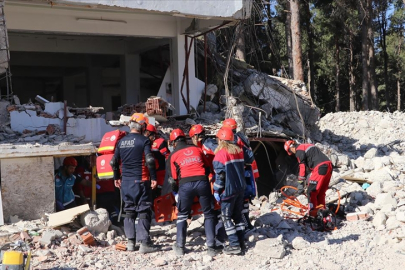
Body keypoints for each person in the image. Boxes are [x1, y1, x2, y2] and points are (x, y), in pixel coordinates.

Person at [111, 113, 158, 253]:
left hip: (126, 182)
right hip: (141, 180)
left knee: (128, 211)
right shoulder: (144, 141)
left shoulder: (121, 141)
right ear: (142, 126)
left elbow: (113, 161)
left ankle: (131, 243)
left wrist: (116, 177)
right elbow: (150, 160)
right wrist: (154, 177)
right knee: (143, 210)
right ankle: (144, 244)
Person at [167, 128, 219, 257]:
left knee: (182, 215)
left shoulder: (173, 155)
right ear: (186, 139)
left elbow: (173, 179)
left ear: (173, 143)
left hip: (185, 184)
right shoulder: (197, 149)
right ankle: (211, 247)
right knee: (208, 214)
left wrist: (176, 193)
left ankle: (180, 246)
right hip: (202, 182)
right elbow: (207, 167)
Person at [189, 124, 227, 246]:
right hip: (211, 178)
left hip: (217, 178)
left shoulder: (208, 144)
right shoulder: (201, 147)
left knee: (218, 208)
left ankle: (220, 235)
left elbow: (221, 156)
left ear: (195, 137)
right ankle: (215, 233)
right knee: (213, 208)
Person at [212, 127, 246, 255]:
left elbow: (220, 176)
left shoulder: (220, 154)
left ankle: (234, 245)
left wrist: (216, 190)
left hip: (228, 191)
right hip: (240, 189)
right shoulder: (239, 151)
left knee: (226, 218)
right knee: (238, 216)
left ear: (221, 140)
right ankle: (241, 242)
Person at [222, 118, 256, 232]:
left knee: (239, 200)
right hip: (246, 171)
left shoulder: (233, 139)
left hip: (238, 172)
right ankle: (247, 224)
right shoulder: (242, 137)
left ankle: (243, 226)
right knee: (245, 199)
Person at [284, 140, 333, 217]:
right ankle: (323, 213)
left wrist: (300, 183)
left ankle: (312, 214)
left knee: (311, 192)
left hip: (320, 167)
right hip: (328, 166)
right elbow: (309, 164)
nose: (293, 153)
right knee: (320, 192)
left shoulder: (299, 151)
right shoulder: (306, 146)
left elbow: (302, 167)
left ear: (291, 148)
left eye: (290, 151)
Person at [144, 124, 170, 199]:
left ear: (153, 134)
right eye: (145, 132)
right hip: (149, 172)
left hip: (160, 172)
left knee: (159, 192)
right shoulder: (145, 143)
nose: (146, 135)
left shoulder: (160, 142)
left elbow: (168, 156)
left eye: (148, 133)